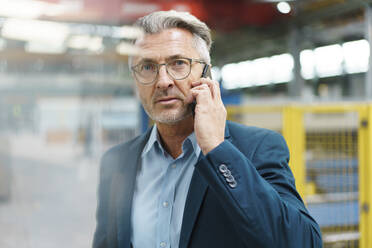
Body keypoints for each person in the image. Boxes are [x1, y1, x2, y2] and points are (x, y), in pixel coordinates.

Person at [93, 10, 322, 248]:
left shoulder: (257, 148)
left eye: (178, 63)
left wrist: (216, 149)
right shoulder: (117, 161)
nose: (163, 81)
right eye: (148, 67)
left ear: (206, 74)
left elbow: (303, 242)